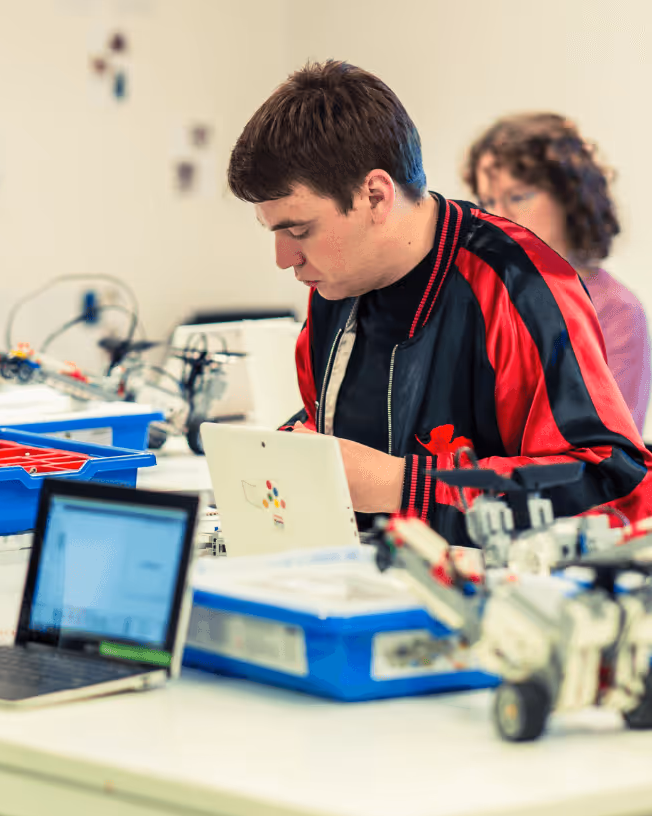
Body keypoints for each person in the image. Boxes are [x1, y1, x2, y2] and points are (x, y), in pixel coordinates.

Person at [226, 61, 652, 545]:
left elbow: (610, 485)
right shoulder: (334, 288)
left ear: (375, 195)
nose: (286, 259)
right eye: (276, 232)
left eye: (300, 230)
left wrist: (402, 486)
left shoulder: (520, 286)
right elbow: (335, 434)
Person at [465, 113, 651, 433]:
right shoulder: (480, 299)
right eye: (488, 201)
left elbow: (605, 456)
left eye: (518, 197)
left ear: (568, 196)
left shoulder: (617, 312)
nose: (498, 216)